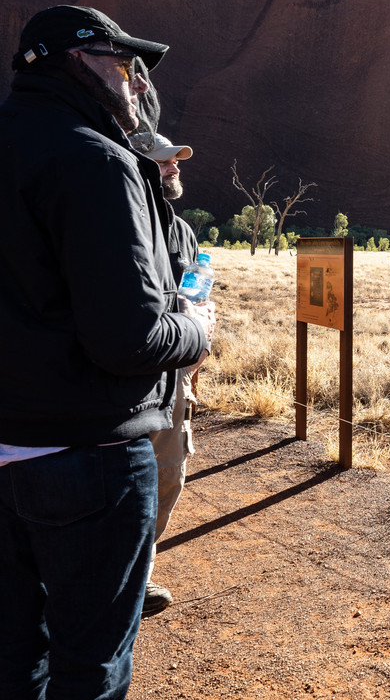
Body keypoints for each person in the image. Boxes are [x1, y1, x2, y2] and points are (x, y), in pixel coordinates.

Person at [0, 5, 213, 699]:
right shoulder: (95, 160)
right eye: (123, 63)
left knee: (12, 659)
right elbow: (131, 339)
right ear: (76, 59)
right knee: (90, 665)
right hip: (86, 459)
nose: (136, 80)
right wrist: (198, 327)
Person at [139, 133, 202, 616]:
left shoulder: (181, 231)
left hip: (174, 374)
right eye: (163, 163)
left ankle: (137, 575)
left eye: (176, 161)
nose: (174, 168)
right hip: (126, 372)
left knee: (168, 474)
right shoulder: (123, 219)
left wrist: (197, 352)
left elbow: (195, 296)